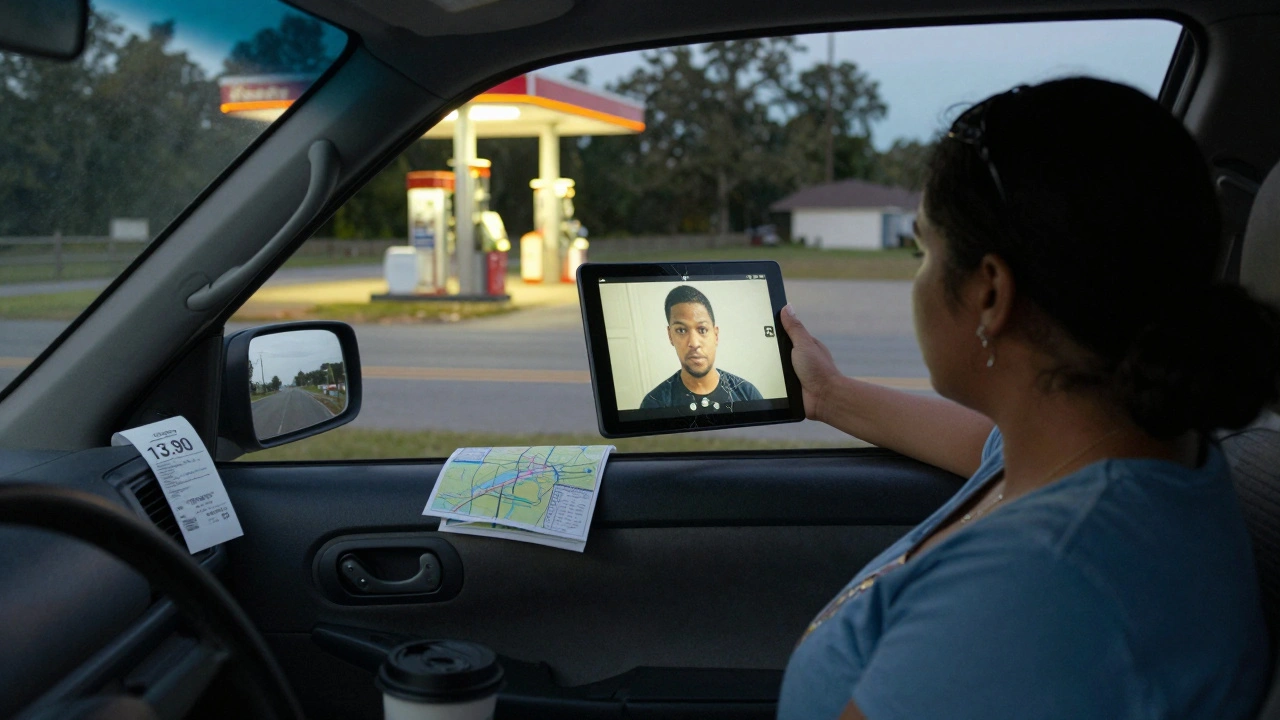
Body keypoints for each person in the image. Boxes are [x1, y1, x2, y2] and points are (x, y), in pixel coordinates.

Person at [776, 77, 1280, 720]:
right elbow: (982, 444)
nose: (918, 275)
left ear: (991, 293)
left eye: (923, 250)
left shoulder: (1040, 589)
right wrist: (827, 394)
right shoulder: (1110, 447)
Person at [639, 285, 763, 412]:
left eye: (702, 330)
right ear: (670, 336)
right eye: (681, 330)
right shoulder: (654, 404)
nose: (694, 343)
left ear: (715, 335)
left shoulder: (748, 395)